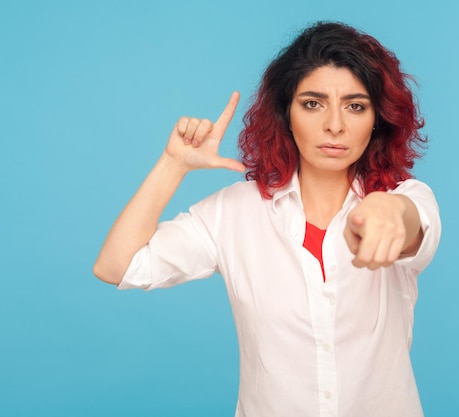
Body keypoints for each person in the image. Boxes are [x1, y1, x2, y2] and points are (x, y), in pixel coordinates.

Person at [94, 21, 441, 417]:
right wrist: (173, 165)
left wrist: (388, 212)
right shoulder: (233, 212)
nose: (334, 125)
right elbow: (115, 266)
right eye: (313, 103)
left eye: (355, 106)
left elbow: (411, 224)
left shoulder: (406, 197)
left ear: (378, 119)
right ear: (286, 114)